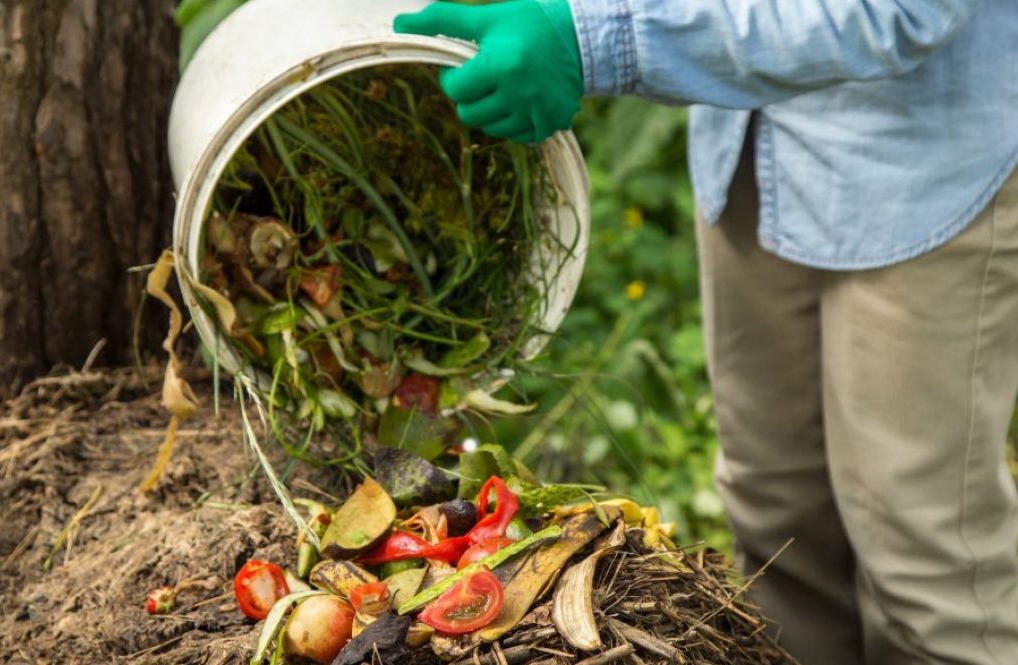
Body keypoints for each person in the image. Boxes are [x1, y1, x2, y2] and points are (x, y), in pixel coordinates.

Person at [392, 1, 1018, 664]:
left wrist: (593, 38)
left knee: (919, 547)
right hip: (749, 133)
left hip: (921, 167)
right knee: (778, 513)